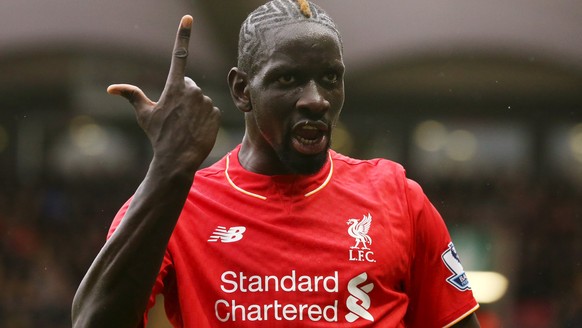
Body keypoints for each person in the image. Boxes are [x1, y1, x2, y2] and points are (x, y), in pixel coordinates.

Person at [72, 0, 481, 327]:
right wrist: (168, 168)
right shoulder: (178, 201)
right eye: (288, 79)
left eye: (330, 78)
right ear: (241, 90)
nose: (315, 99)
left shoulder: (398, 197)